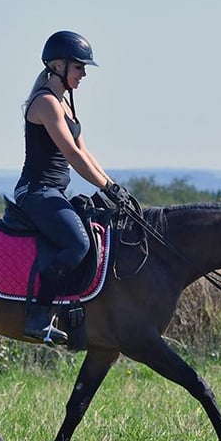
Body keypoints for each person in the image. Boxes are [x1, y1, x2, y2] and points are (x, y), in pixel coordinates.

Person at [14, 30, 130, 344]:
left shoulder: (66, 106)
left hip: (55, 192)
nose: (84, 74)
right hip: (36, 191)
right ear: (59, 65)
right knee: (77, 244)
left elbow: (86, 153)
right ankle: (39, 316)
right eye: (79, 67)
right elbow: (72, 155)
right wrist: (105, 186)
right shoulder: (46, 103)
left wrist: (113, 187)